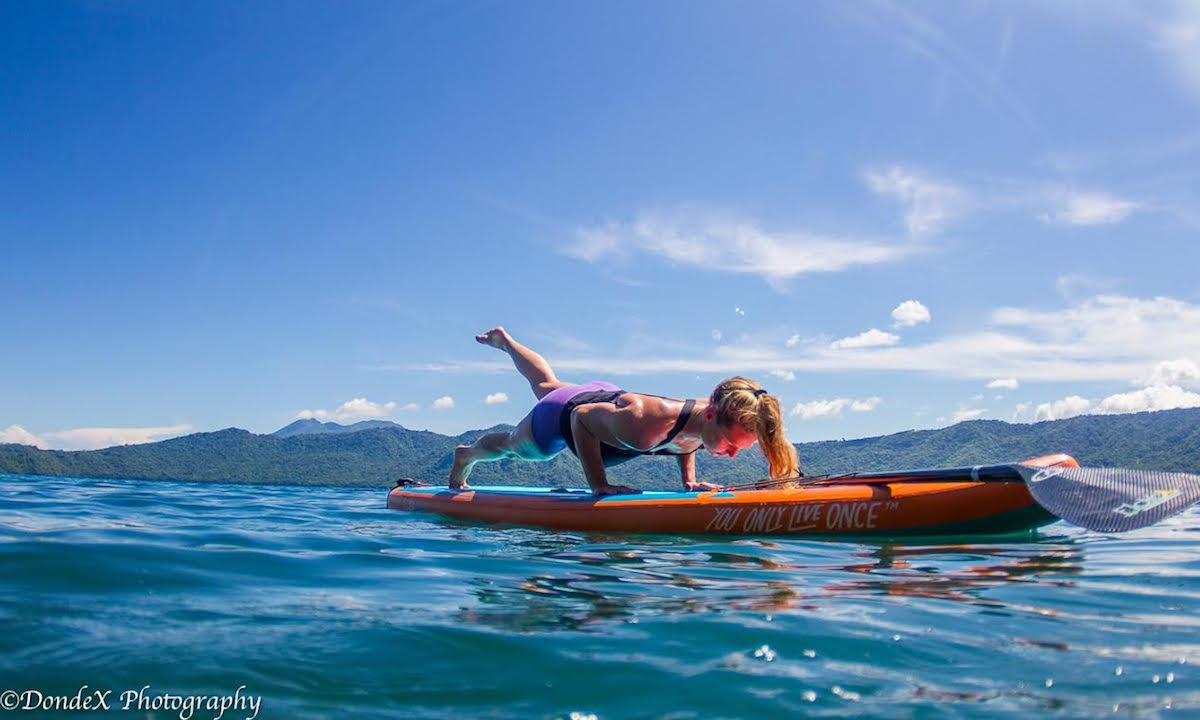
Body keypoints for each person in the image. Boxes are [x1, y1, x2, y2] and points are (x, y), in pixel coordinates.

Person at [447, 327, 800, 497]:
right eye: (731, 444)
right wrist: (599, 485)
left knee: (545, 384)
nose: (734, 455)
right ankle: (467, 455)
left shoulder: (705, 419)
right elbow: (580, 419)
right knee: (520, 446)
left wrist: (688, 482)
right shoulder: (645, 423)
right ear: (710, 416)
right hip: (567, 414)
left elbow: (685, 439)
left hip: (606, 397)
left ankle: (507, 342)